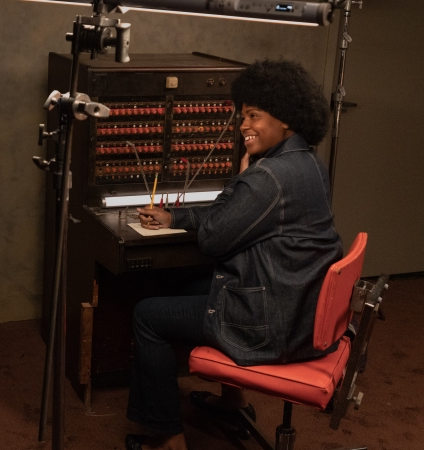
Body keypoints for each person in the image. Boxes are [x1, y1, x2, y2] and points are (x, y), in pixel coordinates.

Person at [124, 59, 343, 450]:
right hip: (301, 313)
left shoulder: (267, 177)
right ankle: (232, 400)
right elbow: (241, 217)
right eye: (242, 116)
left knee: (147, 315)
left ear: (287, 120)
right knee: (188, 282)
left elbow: (214, 238)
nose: (243, 126)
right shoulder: (309, 164)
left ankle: (167, 437)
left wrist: (241, 175)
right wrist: (175, 215)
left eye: (254, 116)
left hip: (269, 324)